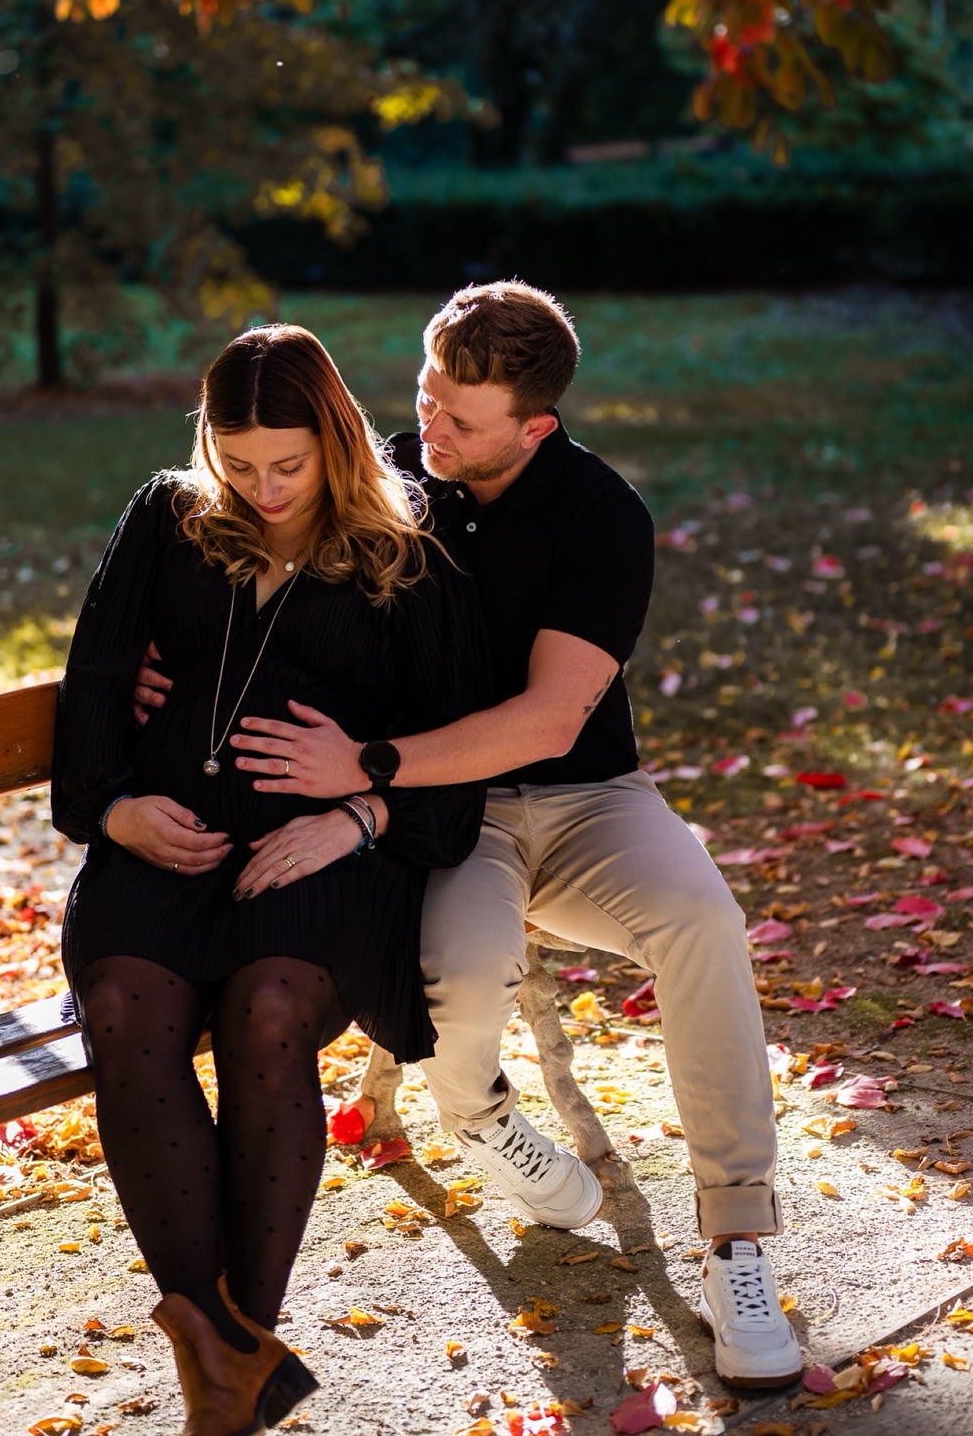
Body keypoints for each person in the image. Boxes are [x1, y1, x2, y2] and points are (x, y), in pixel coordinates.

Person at [136, 283, 802, 1392]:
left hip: (588, 800)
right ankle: (482, 1117)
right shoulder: (387, 483)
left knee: (703, 922)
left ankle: (740, 1245)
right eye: (426, 397)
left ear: (535, 428)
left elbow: (551, 718)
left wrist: (370, 766)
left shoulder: (601, 516)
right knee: (456, 965)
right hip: (450, 818)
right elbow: (246, 556)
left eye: (461, 420)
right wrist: (162, 661)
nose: (428, 432)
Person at [54, 323, 484, 1436]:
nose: (262, 488)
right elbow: (95, 679)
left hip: (324, 861)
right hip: (166, 845)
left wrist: (356, 815)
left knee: (270, 1011)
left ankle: (231, 1345)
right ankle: (233, 1354)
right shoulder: (171, 514)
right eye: (237, 463)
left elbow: (453, 755)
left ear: (334, 438)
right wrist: (116, 810)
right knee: (122, 1006)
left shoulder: (407, 546)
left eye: (285, 466)